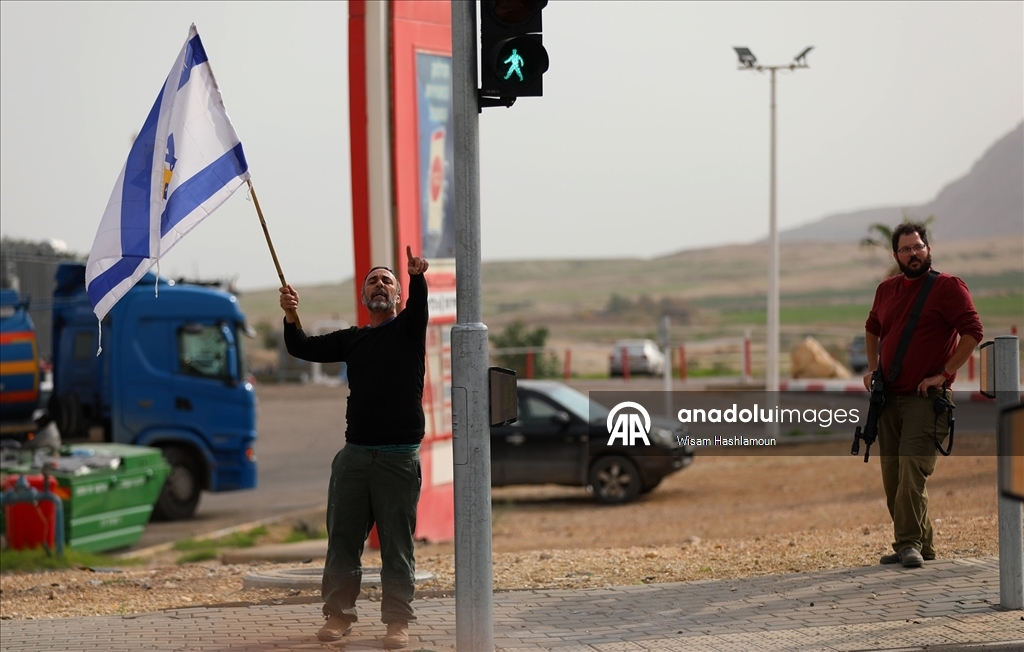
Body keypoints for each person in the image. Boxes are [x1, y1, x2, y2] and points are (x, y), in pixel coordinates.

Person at [279, 245, 429, 648]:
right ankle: (338, 616)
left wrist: (417, 277)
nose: (379, 285)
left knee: (397, 544)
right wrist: (291, 313)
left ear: (397, 295)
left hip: (398, 457)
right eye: (371, 281)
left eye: (387, 281)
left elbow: (419, 310)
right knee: (343, 539)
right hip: (355, 455)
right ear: (363, 297)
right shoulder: (352, 340)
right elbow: (302, 347)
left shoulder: (408, 330)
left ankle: (398, 621)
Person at [863, 223, 982, 568]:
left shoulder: (947, 287)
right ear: (895, 255)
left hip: (926, 399)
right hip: (888, 399)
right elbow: (872, 328)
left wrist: (944, 375)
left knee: (912, 472)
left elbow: (973, 332)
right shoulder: (886, 290)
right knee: (894, 477)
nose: (913, 254)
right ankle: (922, 545)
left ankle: (907, 543)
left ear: (928, 249)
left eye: (918, 247)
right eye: (905, 249)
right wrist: (873, 368)